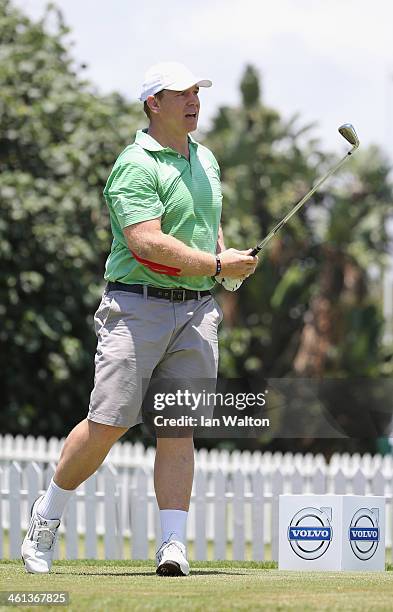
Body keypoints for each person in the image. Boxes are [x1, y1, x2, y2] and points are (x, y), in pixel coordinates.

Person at [21, 61, 258, 576]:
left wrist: (224, 259)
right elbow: (146, 242)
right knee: (108, 424)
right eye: (183, 94)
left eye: (197, 91)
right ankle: (46, 517)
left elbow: (204, 225)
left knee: (178, 429)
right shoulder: (135, 164)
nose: (195, 100)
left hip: (196, 310)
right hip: (136, 307)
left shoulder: (207, 160)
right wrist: (218, 265)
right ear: (154, 103)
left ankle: (173, 546)